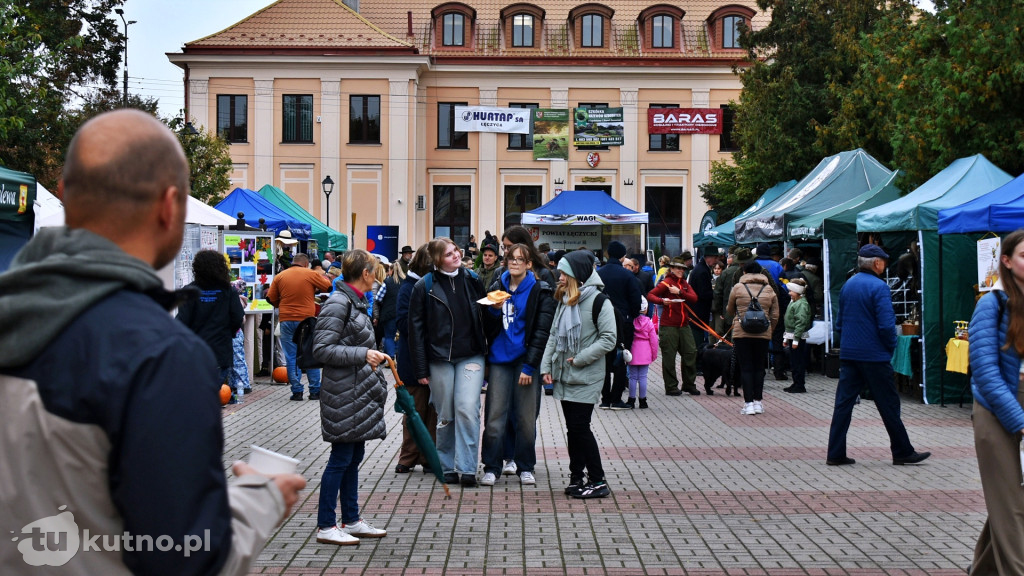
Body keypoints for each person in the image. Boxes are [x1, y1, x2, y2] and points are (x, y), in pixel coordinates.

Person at [0, 109, 304, 574]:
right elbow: (187, 557)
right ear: (170, 207)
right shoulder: (157, 355)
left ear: (63, 194)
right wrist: (258, 499)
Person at [826, 244, 931, 466]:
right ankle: (902, 451)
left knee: (843, 404)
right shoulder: (879, 287)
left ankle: (835, 453)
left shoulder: (848, 285)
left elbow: (839, 323)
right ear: (876, 263)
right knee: (888, 403)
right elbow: (886, 325)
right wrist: (891, 346)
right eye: (883, 262)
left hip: (850, 353)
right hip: (874, 356)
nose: (884, 266)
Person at [311, 249, 390, 546]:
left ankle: (352, 520)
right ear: (365, 274)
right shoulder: (339, 302)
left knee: (353, 456)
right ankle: (326, 525)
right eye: (374, 270)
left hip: (356, 391)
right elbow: (322, 349)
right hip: (343, 392)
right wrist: (362, 353)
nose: (377, 276)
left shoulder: (355, 302)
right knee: (341, 457)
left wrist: (369, 354)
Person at [408, 237, 487, 487]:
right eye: (448, 254)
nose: (455, 256)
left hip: (471, 355)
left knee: (467, 408)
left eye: (456, 251)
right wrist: (420, 368)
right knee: (446, 413)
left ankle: (467, 468)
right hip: (439, 358)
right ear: (436, 259)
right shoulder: (424, 286)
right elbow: (415, 330)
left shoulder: (473, 280)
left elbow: (485, 315)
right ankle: (447, 465)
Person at [968, 229, 1024, 574]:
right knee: (1013, 505)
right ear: (1006, 261)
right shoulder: (991, 303)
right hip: (996, 409)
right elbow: (985, 373)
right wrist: (1019, 420)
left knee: (1009, 504)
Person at [541, 250, 617, 499]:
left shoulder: (599, 301)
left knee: (580, 427)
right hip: (565, 374)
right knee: (573, 430)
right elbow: (554, 335)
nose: (559, 276)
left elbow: (609, 339)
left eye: (563, 273)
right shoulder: (565, 299)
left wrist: (582, 357)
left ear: (576, 275)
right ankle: (577, 477)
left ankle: (597, 480)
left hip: (586, 375)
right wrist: (546, 367)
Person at [479, 243, 555, 487]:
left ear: (529, 264)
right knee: (494, 417)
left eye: (519, 260)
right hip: (499, 360)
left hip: (525, 360)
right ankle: (492, 466)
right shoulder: (496, 287)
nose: (514, 263)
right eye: (511, 259)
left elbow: (541, 333)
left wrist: (530, 367)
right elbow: (486, 328)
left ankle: (525, 466)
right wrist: (492, 312)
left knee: (525, 418)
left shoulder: (539, 289)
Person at [394, 245, 438, 474]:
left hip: (434, 360)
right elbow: (403, 323)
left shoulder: (430, 285)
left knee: (433, 412)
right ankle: (408, 456)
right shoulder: (409, 288)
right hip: (412, 361)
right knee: (414, 410)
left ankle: (428, 456)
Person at [176, 249, 245, 392]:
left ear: (196, 268)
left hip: (195, 353)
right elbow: (238, 317)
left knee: (196, 395)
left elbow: (180, 322)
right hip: (220, 352)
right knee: (210, 395)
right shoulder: (228, 291)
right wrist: (229, 332)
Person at [266, 252, 333, 401]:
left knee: (291, 356)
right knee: (310, 353)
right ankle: (315, 391)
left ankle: (297, 391)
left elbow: (270, 298)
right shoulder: (310, 273)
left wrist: (282, 305)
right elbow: (328, 287)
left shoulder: (281, 276)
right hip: (306, 320)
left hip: (286, 320)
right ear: (305, 263)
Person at [727, 260, 780, 415]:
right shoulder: (769, 289)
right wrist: (769, 328)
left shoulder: (738, 287)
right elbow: (775, 314)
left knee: (746, 368)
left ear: (744, 272)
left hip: (742, 333)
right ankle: (758, 402)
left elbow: (730, 310)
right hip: (763, 333)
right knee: (759, 368)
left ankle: (748, 403)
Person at [596, 240, 642, 409]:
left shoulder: (599, 274)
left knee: (603, 360)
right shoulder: (627, 275)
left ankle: (605, 398)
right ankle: (616, 398)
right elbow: (636, 300)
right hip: (623, 321)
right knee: (622, 357)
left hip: (601, 321)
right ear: (623, 256)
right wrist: (632, 314)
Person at [647, 255, 699, 396]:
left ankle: (689, 384)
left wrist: (681, 292)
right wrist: (662, 301)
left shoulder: (684, 284)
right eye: (678, 268)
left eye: (683, 268)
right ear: (672, 268)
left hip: (683, 324)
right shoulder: (666, 283)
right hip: (669, 325)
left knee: (690, 352)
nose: (681, 270)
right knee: (669, 356)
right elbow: (650, 295)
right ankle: (671, 387)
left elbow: (694, 298)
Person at [627, 297, 659, 409]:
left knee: (632, 377)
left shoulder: (632, 321)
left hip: (633, 350)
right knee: (643, 377)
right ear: (645, 309)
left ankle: (631, 399)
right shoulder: (649, 323)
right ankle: (643, 400)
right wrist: (654, 355)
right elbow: (654, 341)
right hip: (645, 351)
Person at [782, 278, 812, 394]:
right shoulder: (795, 302)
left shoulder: (801, 304)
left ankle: (799, 384)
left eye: (791, 291)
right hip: (793, 335)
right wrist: (787, 337)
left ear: (798, 291)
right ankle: (796, 383)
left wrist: (795, 339)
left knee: (798, 361)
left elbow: (800, 322)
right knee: (794, 361)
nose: (789, 293)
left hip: (797, 336)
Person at [378, 262, 403, 358]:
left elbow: (379, 297)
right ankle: (398, 355)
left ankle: (391, 358)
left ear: (391, 270)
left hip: (389, 313)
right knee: (400, 336)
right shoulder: (405, 282)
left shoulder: (387, 282)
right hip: (402, 313)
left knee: (389, 336)